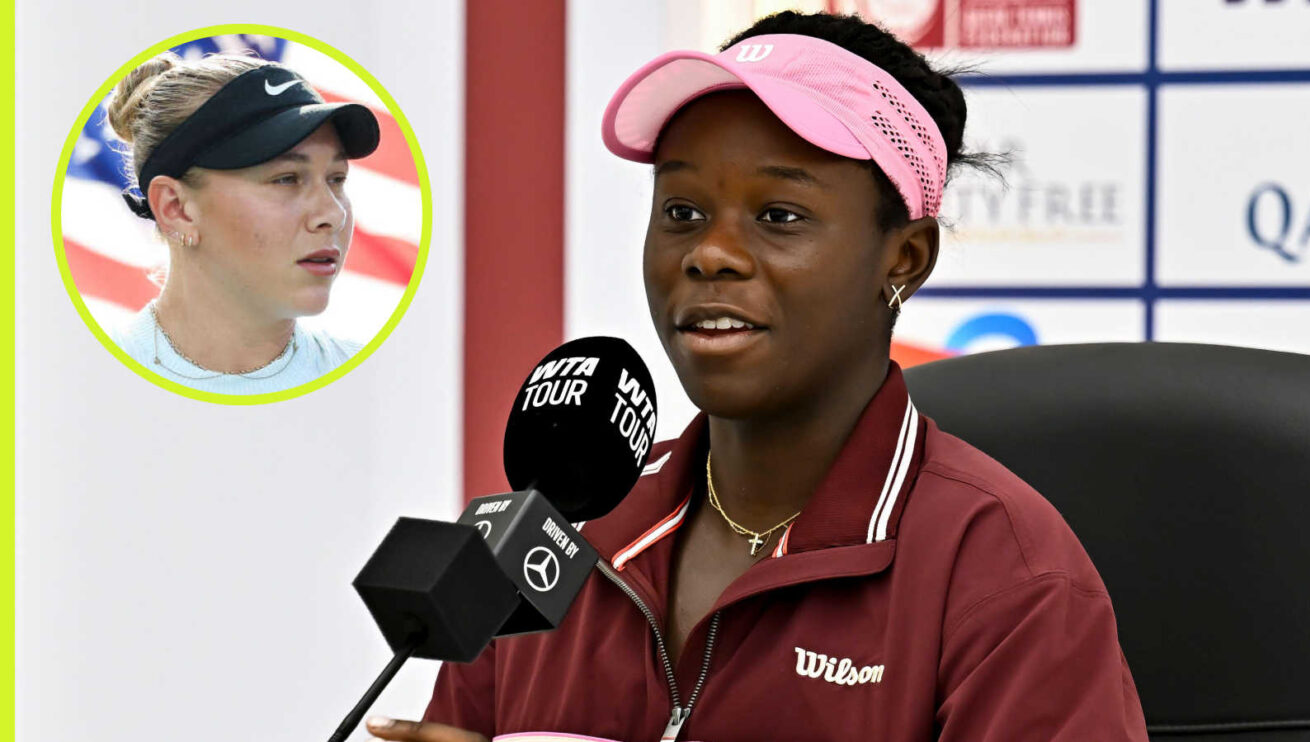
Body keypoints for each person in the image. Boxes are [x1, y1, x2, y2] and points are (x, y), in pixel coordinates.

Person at [367, 11, 1148, 742]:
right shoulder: (558, 534)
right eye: (681, 212)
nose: (709, 254)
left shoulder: (1008, 577)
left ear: (904, 260)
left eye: (779, 216)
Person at [103, 52, 380, 394]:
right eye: (286, 179)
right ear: (177, 208)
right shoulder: (85, 385)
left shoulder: (380, 386)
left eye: (336, 179)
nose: (333, 214)